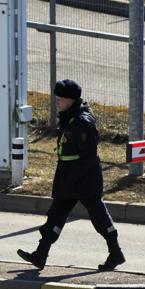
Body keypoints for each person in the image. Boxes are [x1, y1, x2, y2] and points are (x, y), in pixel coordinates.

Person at [18, 79, 125, 271]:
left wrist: (73, 177)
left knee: (99, 217)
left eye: (61, 98)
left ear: (71, 100)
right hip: (69, 175)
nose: (57, 102)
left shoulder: (82, 121)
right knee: (55, 215)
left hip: (85, 179)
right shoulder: (70, 116)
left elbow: (88, 156)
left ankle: (115, 253)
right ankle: (40, 254)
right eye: (57, 98)